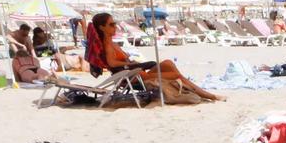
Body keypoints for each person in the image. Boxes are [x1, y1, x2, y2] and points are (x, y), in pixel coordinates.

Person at [86, 12, 222, 105]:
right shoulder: (107, 45)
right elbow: (112, 63)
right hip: (132, 77)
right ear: (101, 27)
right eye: (111, 24)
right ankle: (209, 96)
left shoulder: (112, 43)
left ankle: (199, 92)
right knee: (176, 75)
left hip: (136, 72)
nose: (115, 26)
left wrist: (135, 63)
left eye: (114, 23)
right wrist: (132, 64)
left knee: (168, 63)